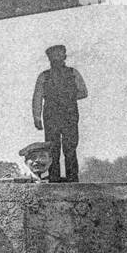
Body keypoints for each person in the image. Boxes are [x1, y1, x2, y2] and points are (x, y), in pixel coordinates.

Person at [32, 44, 88, 182]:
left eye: (59, 55)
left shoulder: (73, 73)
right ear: (49, 58)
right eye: (53, 56)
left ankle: (72, 178)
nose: (56, 58)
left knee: (70, 147)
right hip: (51, 115)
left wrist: (68, 97)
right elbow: (37, 97)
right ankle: (54, 177)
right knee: (52, 148)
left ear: (64, 57)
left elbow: (84, 92)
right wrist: (37, 117)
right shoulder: (43, 76)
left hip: (69, 114)